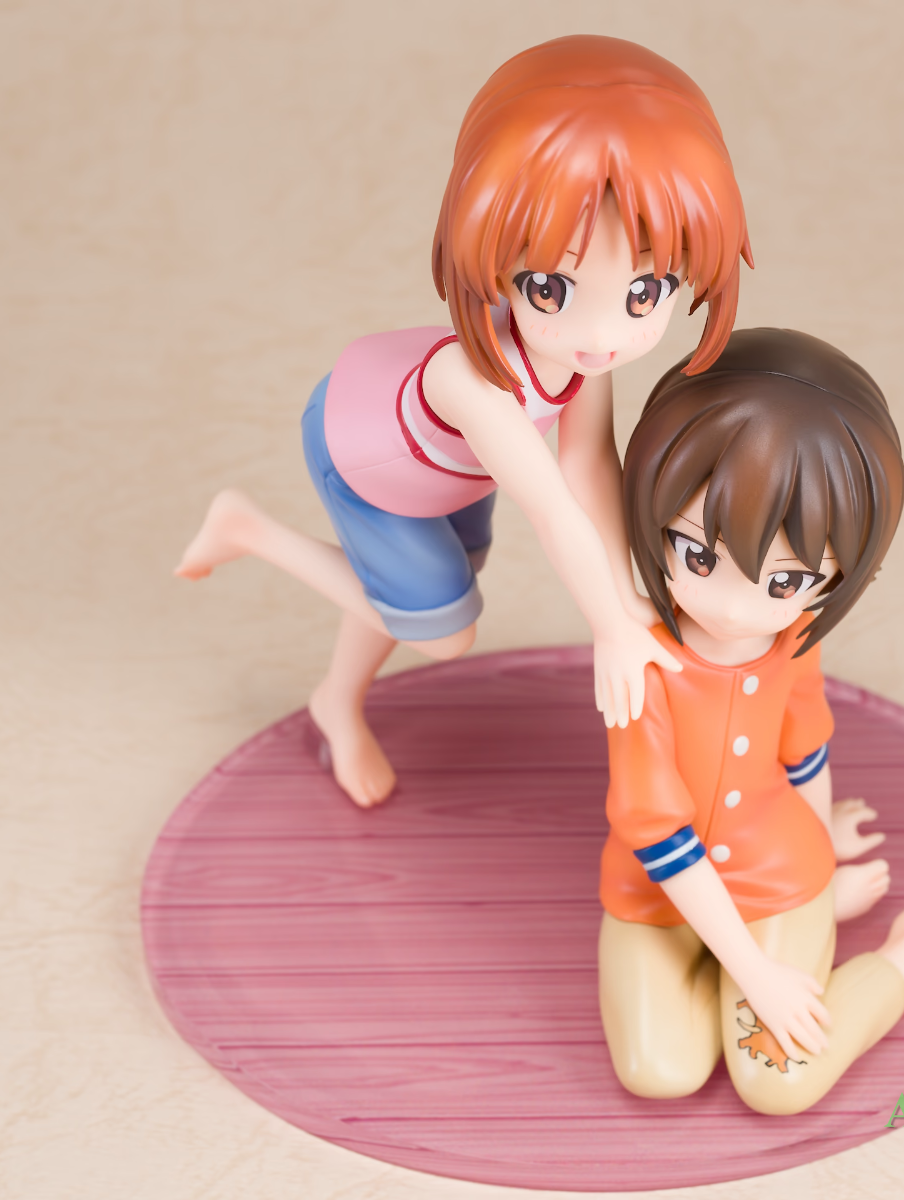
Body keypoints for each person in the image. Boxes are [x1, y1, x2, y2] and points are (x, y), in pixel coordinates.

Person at [175, 36, 752, 807]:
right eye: (550, 288)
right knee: (443, 630)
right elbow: (550, 508)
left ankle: (334, 702)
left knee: (421, 590)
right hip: (370, 458)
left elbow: (588, 468)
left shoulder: (583, 359)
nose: (603, 334)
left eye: (645, 293)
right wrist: (612, 625)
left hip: (455, 473)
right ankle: (249, 530)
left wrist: (624, 598)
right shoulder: (468, 383)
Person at [599, 328, 904, 1114]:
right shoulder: (638, 662)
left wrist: (821, 848)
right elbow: (656, 833)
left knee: (778, 1083)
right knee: (660, 1072)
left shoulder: (796, 637)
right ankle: (782, 944)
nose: (737, 609)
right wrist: (755, 974)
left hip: (779, 877)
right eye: (698, 555)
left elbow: (805, 745)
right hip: (655, 899)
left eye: (786, 580)